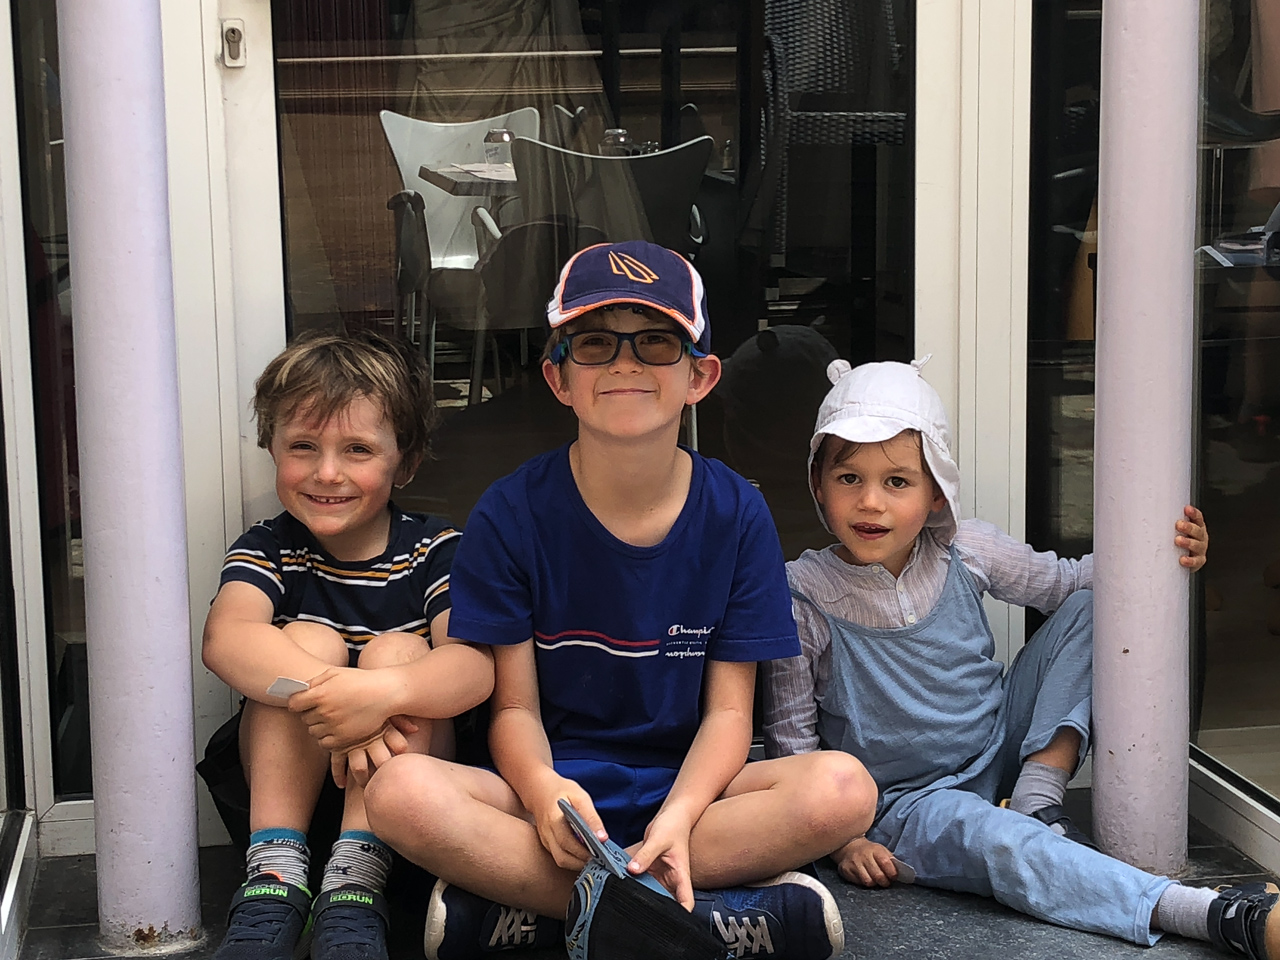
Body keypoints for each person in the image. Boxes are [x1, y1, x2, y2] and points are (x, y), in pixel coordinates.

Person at [364, 241, 877, 960]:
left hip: (693, 795)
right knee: (400, 793)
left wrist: (681, 814)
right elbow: (514, 710)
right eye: (595, 344)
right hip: (553, 799)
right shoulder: (510, 512)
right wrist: (543, 791)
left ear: (700, 377)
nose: (625, 364)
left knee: (844, 789)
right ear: (558, 377)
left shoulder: (737, 512)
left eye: (656, 342)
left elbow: (731, 714)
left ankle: (542, 915)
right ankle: (707, 919)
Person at [763, 357, 1280, 958]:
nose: (871, 502)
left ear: (937, 492)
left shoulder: (965, 549)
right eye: (849, 478)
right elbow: (792, 747)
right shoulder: (799, 596)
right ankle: (1215, 915)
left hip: (1000, 743)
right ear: (818, 486)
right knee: (1003, 845)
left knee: (1093, 608)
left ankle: (1038, 796)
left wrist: (1169, 553)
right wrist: (839, 841)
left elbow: (1073, 582)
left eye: (898, 482)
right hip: (904, 804)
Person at [198, 330, 494, 960]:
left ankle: (355, 890)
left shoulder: (436, 550)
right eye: (303, 446)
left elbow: (473, 667)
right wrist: (342, 705)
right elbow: (226, 639)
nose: (327, 472)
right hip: (286, 791)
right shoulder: (270, 546)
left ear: (404, 463)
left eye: (357, 449)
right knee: (303, 640)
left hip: (404, 801)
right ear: (272, 447)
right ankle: (272, 883)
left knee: (398, 652)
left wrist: (379, 694)